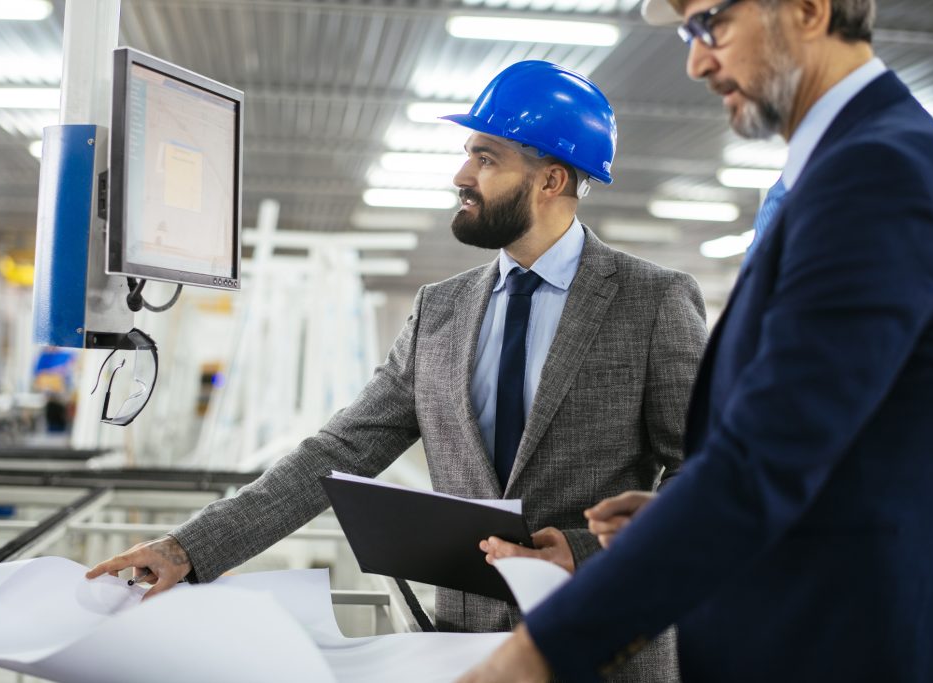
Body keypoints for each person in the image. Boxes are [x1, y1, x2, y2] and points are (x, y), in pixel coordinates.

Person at [88, 60, 707, 680]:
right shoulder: (441, 310)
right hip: (466, 648)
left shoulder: (652, 301)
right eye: (468, 155)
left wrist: (584, 550)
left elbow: (704, 475)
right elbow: (340, 450)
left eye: (486, 159)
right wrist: (189, 548)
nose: (461, 176)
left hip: (607, 646)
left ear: (551, 179)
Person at [458, 1, 933, 682]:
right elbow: (844, 443)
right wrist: (674, 515)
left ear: (809, 9)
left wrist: (536, 653)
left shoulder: (876, 172)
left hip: (842, 642)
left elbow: (766, 457)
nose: (696, 61)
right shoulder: (845, 166)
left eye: (710, 24)